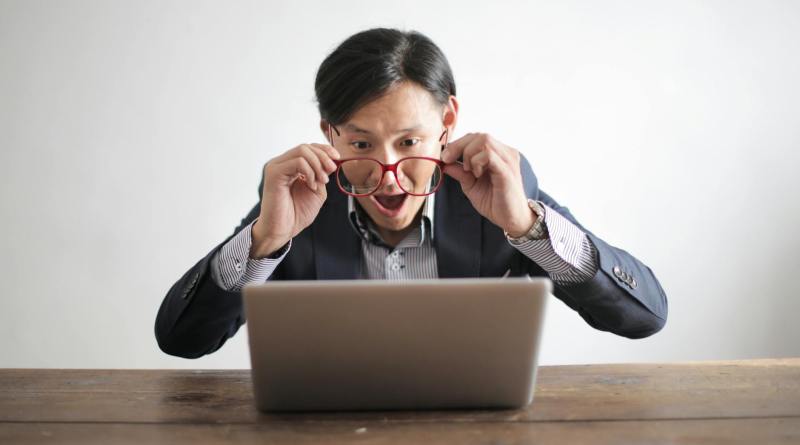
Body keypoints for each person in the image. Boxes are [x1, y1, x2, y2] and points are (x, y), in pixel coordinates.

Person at [155, 28, 668, 359]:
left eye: (409, 142)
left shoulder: (498, 188)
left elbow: (644, 317)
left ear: (447, 124)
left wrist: (527, 228)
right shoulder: (300, 199)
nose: (389, 173)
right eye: (360, 143)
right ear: (329, 133)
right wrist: (265, 241)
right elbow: (182, 340)